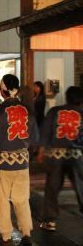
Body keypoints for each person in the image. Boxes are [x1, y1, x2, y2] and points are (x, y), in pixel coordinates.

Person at [0, 74, 38, 246]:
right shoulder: (27, 109)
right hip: (22, 161)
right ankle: (26, 233)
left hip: (2, 162)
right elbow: (34, 138)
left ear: (3, 89)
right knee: (21, 199)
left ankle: (5, 236)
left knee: (1, 199)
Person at [37, 86, 83, 232]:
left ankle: (50, 220)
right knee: (81, 186)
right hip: (77, 155)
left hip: (56, 155)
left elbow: (45, 131)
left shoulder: (54, 111)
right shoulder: (81, 113)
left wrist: (41, 151)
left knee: (52, 187)